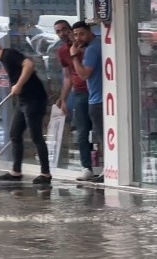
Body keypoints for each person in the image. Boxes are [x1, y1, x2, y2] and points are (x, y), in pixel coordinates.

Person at [0, 33, 51, 184]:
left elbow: (29, 65)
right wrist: (17, 87)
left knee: (36, 136)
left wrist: (19, 84)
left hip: (34, 99)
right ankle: (16, 171)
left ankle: (45, 173)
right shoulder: (3, 59)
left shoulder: (9, 54)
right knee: (14, 133)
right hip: (23, 100)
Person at [56, 20, 92, 177]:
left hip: (95, 90)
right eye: (58, 31)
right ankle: (87, 167)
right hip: (79, 92)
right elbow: (67, 76)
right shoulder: (63, 51)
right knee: (82, 131)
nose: (62, 33)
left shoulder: (88, 47)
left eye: (64, 29)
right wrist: (63, 98)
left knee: (99, 129)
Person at [69, 22, 103, 181]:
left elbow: (83, 75)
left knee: (100, 136)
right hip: (98, 96)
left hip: (97, 99)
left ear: (90, 32)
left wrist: (74, 56)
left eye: (81, 34)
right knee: (99, 135)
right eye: (75, 35)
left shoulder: (91, 49)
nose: (78, 38)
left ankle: (105, 169)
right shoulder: (100, 45)